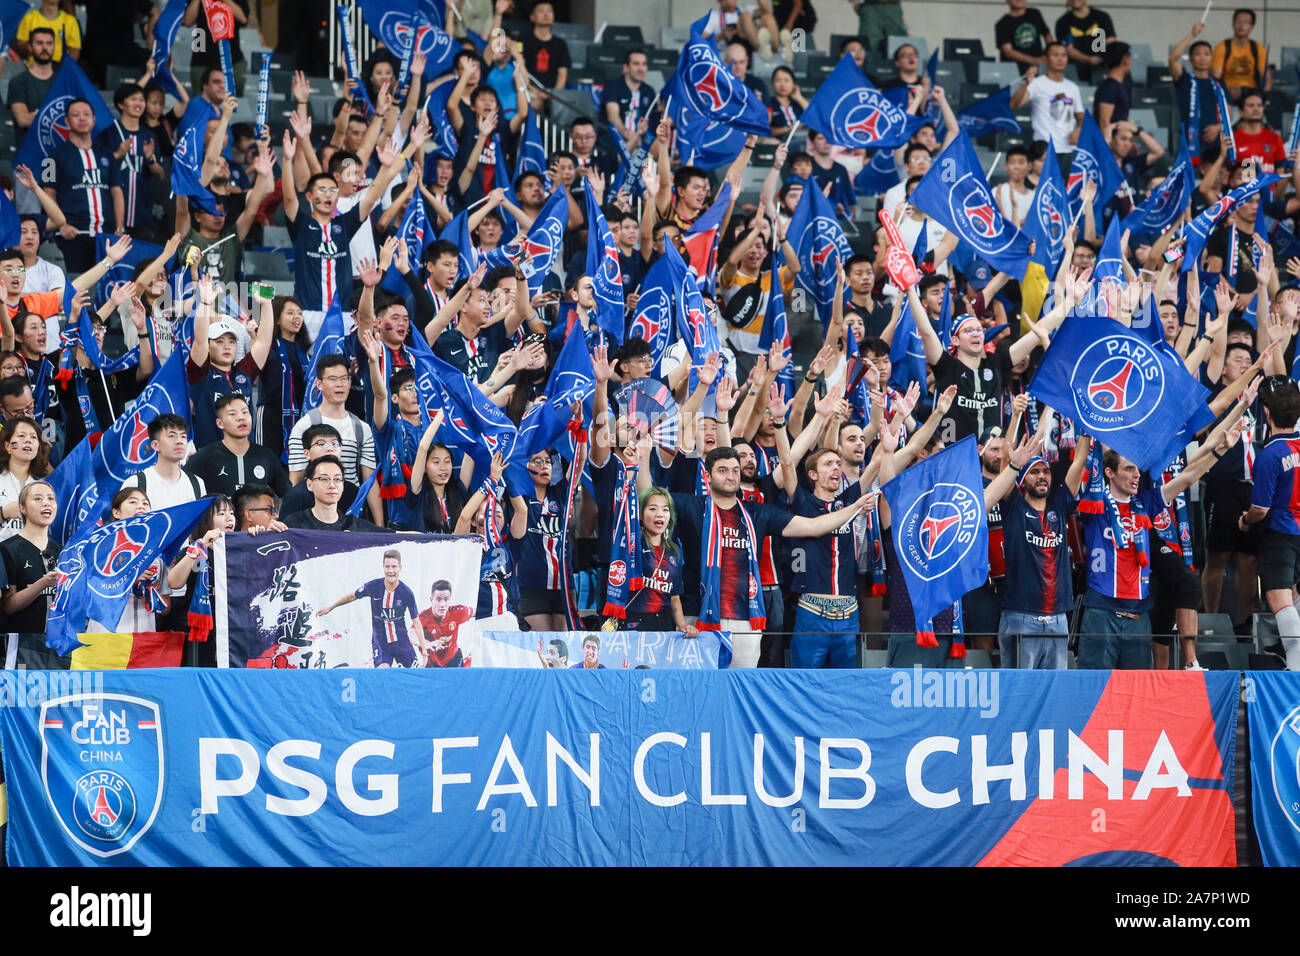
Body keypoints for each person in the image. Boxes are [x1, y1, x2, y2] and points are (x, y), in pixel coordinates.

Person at [640, 446, 874, 669]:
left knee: (741, 689)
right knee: (697, 690)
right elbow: (648, 496)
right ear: (707, 475)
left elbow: (814, 526)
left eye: (734, 470)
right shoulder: (690, 505)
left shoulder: (757, 512)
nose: (730, 476)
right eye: (722, 471)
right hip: (698, 615)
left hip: (746, 618)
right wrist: (642, 458)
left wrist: (854, 508)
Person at [1077, 439, 1238, 670]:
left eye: (1137, 469)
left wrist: (1221, 448)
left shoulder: (1146, 502)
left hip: (1138, 619)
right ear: (1110, 473)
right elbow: (1080, 470)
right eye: (1128, 469)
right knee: (1094, 693)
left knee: (1137, 696)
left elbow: (1188, 478)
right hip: (1101, 615)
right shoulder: (1096, 504)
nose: (1136, 476)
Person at [990, 433, 1091, 668]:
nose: (1042, 477)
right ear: (1023, 480)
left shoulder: (1060, 504)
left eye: (1045, 472)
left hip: (1058, 619)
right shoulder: (1013, 505)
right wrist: (1015, 417)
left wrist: (1086, 430)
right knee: (1020, 695)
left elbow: (1079, 462)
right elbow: (1006, 468)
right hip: (1020, 617)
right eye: (1035, 472)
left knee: (1054, 695)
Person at [1238, 383, 1300, 670]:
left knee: (1279, 598)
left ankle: (1295, 670)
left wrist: (1245, 520)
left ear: (1267, 414)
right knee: (1295, 597)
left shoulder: (1270, 454)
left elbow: (1260, 509)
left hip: (1281, 534)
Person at [319, 548, 423, 668]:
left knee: (412, 677)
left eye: (394, 567)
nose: (390, 571)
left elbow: (416, 621)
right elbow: (352, 596)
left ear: (400, 568)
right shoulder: (374, 586)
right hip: (381, 641)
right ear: (383, 567)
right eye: (387, 567)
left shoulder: (406, 592)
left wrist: (424, 651)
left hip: (402, 641)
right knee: (382, 672)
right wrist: (331, 607)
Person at [183, 393, 290, 499]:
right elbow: (183, 492)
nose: (241, 418)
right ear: (220, 423)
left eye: (245, 412)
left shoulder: (265, 456)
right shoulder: (204, 457)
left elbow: (288, 494)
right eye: (232, 414)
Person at [620, 489, 697, 635]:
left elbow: (674, 597)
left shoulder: (674, 551)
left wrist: (683, 626)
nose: (660, 514)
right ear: (640, 514)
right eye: (652, 508)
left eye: (665, 509)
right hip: (632, 624)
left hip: (663, 624)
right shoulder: (631, 544)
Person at [1, 481, 59, 636]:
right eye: (38, 499)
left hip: (57, 646)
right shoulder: (7, 549)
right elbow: (8, 605)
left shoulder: (62, 550)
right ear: (22, 508)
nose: (46, 503)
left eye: (51, 498)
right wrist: (43, 583)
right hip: (22, 645)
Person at [1011, 43, 1084, 156]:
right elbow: (1015, 104)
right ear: (1045, 59)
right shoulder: (1037, 83)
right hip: (1044, 150)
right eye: (1055, 55)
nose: (1060, 59)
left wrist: (1079, 130)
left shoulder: (1073, 87)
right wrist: (1026, 83)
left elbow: (1080, 116)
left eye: (1064, 55)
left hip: (1068, 149)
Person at [120, 414, 207, 509]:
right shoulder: (135, 483)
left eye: (183, 436)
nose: (179, 441)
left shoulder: (197, 483)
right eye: (171, 436)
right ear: (155, 445)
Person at [280, 455, 383, 532]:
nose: (332, 485)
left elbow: (394, 537)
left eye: (337, 479)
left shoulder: (354, 525)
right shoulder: (294, 523)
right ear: (310, 484)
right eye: (324, 479)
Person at [1168, 21, 1221, 159]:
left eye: (1207, 54)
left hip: (1215, 143)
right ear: (1190, 58)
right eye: (1198, 54)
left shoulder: (1219, 84)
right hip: (1189, 141)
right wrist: (1192, 34)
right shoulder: (1184, 80)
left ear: (1211, 58)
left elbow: (1229, 115)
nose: (1202, 58)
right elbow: (1173, 58)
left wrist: (1218, 128)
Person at [6, 27, 59, 157]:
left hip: (58, 157)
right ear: (30, 47)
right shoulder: (18, 82)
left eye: (49, 43)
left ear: (54, 47)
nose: (45, 48)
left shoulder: (63, 81)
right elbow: (23, 120)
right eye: (39, 43)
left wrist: (36, 115)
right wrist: (59, 120)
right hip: (29, 158)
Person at [0, 417, 52, 543]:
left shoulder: (46, 483)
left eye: (34, 437)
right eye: (21, 436)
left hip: (34, 556)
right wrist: (4, 513)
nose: (28, 440)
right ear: (7, 445)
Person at [521, 1, 570, 114]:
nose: (546, 14)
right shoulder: (523, 40)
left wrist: (553, 93)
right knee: (534, 104)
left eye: (549, 11)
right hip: (530, 88)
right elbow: (519, 69)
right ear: (532, 17)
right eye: (541, 11)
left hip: (553, 90)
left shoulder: (560, 44)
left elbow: (562, 75)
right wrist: (535, 91)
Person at [1211, 7, 1270, 100]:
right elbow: (1216, 77)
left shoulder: (1258, 48)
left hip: (1251, 94)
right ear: (1233, 24)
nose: (1241, 25)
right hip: (1227, 93)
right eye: (1238, 21)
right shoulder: (1222, 47)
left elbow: (1266, 78)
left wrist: (1263, 97)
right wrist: (1225, 92)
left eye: (1246, 22)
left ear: (1252, 27)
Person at [1054, 0, 1116, 85]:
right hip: (1076, 68)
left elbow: (1111, 40)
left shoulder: (1101, 16)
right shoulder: (1063, 22)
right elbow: (1068, 49)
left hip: (1102, 65)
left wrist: (1098, 55)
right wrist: (1088, 59)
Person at [417, 579, 475, 668]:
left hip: (453, 659)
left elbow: (476, 612)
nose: (442, 604)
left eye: (446, 599)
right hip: (433, 663)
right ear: (431, 599)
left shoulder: (458, 612)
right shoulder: (424, 617)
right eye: (438, 599)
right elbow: (411, 634)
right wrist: (427, 644)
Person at [1232, 89, 1287, 173]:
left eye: (1259, 105)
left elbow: (1280, 173)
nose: (1256, 109)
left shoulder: (1275, 138)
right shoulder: (1233, 139)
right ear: (1241, 111)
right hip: (1243, 186)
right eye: (1251, 105)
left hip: (1269, 186)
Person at [996, 0, 1052, 73]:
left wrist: (1050, 53)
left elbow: (1047, 34)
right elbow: (1008, 52)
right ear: (1007, 1)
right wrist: (1035, 60)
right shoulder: (1002, 24)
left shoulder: (1035, 14)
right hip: (1016, 71)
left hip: (1040, 68)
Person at [14, 1, 80, 63]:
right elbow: (21, 45)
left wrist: (63, 68)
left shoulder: (71, 22)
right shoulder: (28, 19)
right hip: (34, 69)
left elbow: (74, 52)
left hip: (61, 71)